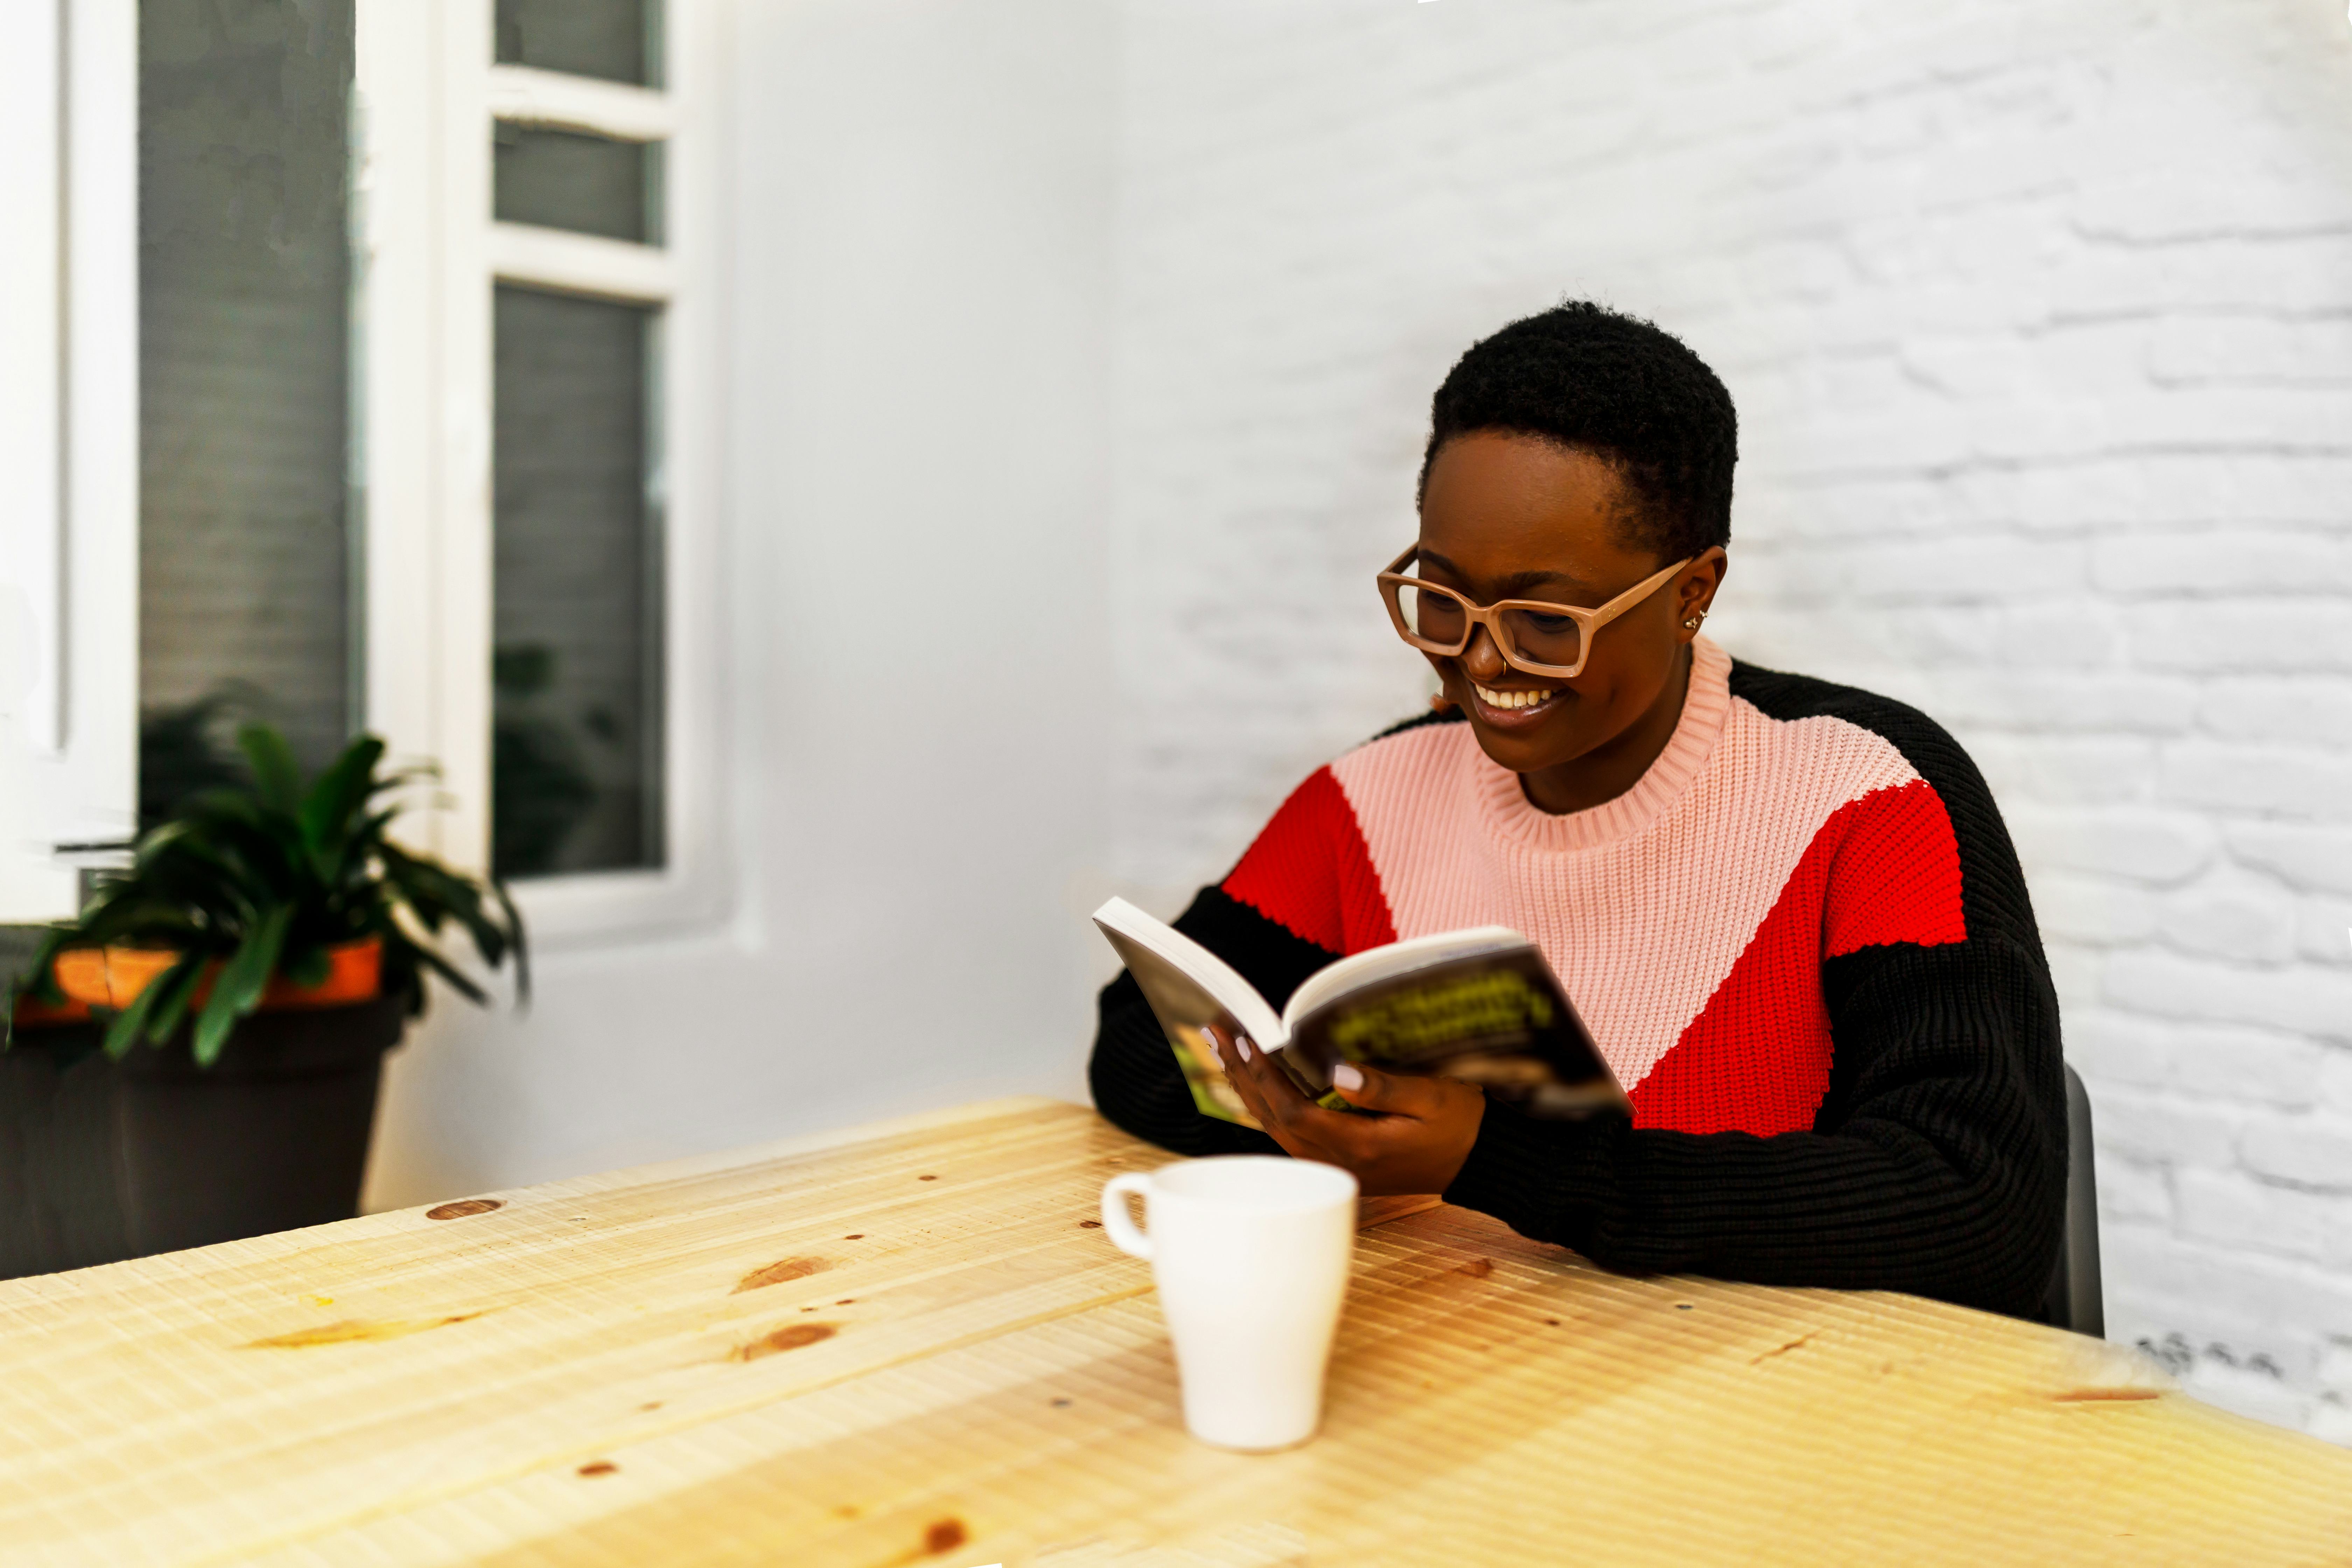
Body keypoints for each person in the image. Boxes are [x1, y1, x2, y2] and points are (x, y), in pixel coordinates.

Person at [1088, 301, 2067, 1320]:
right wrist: (1324, 1123)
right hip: (1472, 1383)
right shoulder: (1371, 797)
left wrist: (1496, 1157)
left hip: (1779, 1414)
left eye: (1544, 621)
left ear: (1692, 592)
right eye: (1442, 599)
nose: (1478, 660)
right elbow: (1135, 1051)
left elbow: (1980, 1210)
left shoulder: (1868, 793)